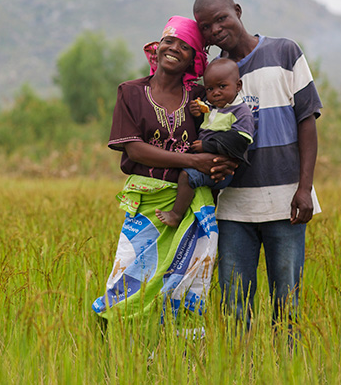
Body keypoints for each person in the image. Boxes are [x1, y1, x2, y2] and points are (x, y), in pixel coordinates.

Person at [192, 0, 323, 336]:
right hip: (233, 209)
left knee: (288, 304)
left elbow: (306, 121)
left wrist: (305, 188)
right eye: (206, 26)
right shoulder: (212, 77)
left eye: (221, 18)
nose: (216, 29)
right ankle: (241, 371)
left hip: (286, 204)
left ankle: (287, 370)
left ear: (237, 10)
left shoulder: (285, 52)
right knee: (234, 306)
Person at [92, 16, 234, 329]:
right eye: (169, 41)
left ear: (194, 58)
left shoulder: (201, 98)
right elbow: (135, 150)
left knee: (186, 284)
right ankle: (115, 352)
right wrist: (194, 162)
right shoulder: (130, 92)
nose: (174, 49)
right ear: (157, 47)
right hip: (148, 206)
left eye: (185, 46)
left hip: (194, 206)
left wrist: (218, 162)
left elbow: (221, 132)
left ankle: (176, 361)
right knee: (127, 280)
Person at [155, 58, 254, 228]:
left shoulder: (241, 112)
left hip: (221, 168)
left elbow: (240, 140)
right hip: (203, 159)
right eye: (210, 89)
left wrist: (207, 146)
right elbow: (208, 127)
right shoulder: (214, 107)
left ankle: (176, 214)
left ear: (238, 86)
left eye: (222, 87)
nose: (215, 93)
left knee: (187, 176)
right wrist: (198, 115)